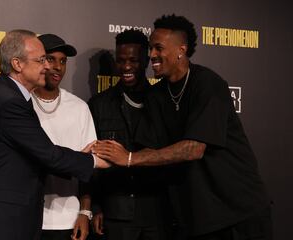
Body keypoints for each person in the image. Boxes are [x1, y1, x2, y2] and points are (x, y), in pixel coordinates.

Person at [93, 14, 272, 240]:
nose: (151, 55)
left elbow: (193, 149)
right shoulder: (157, 94)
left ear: (181, 50)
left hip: (239, 211)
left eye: (158, 48)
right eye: (150, 49)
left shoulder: (208, 84)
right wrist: (101, 156)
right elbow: (149, 149)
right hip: (200, 217)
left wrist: (128, 158)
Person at [0, 29, 108, 240]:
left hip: (7, 216)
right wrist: (94, 160)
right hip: (1, 220)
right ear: (17, 64)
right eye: (41, 60)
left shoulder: (11, 96)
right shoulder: (9, 102)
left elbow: (37, 156)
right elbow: (49, 155)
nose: (47, 66)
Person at [88, 29, 171, 240]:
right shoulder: (99, 105)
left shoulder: (164, 100)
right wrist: (95, 207)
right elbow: (92, 162)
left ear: (145, 60)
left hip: (158, 211)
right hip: (117, 212)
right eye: (121, 60)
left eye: (133, 60)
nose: (126, 67)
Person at [33, 34, 96, 240]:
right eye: (51, 59)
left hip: (68, 221)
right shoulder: (21, 105)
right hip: (29, 217)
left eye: (63, 61)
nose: (58, 67)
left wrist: (85, 212)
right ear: (39, 60)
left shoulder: (79, 108)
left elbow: (89, 166)